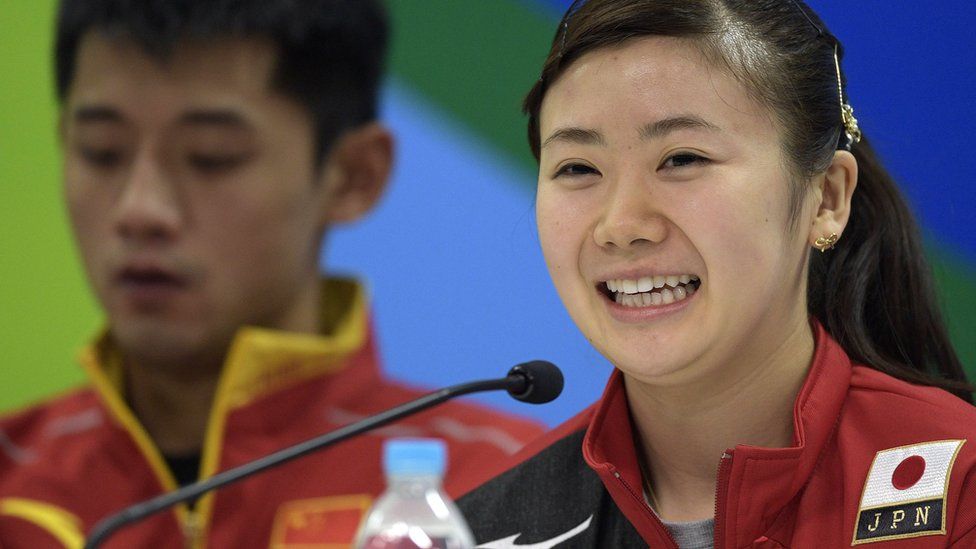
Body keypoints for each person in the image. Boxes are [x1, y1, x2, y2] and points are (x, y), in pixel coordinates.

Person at [0, 1, 546, 546]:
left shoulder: (508, 485)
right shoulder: (13, 482)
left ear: (354, 175)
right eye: (102, 152)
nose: (140, 209)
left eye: (211, 157)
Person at [459, 1, 976, 547]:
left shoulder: (962, 489)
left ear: (826, 197)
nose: (622, 224)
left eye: (683, 159)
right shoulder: (478, 530)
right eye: (578, 168)